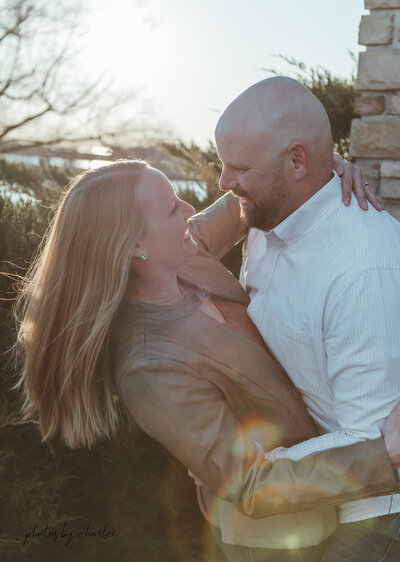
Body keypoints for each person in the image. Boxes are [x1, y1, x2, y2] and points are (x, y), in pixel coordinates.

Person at [13, 160, 400, 562]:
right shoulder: (148, 366)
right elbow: (248, 484)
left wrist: (326, 168)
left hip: (328, 493)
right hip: (277, 540)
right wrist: (381, 454)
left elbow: (246, 200)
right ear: (133, 246)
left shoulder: (182, 250)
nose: (187, 209)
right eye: (170, 208)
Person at [215, 76, 400, 561]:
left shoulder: (362, 267)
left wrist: (244, 472)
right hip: (308, 490)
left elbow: (378, 444)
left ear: (297, 161)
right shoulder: (264, 213)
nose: (222, 183)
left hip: (373, 514)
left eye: (238, 168)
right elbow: (179, 241)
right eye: (222, 164)